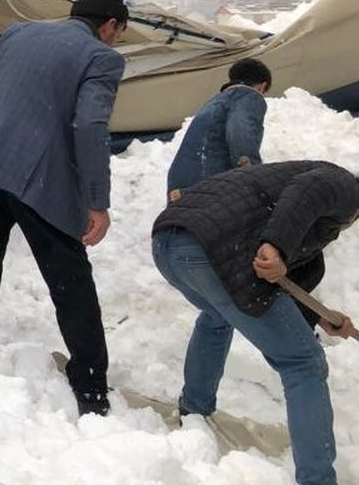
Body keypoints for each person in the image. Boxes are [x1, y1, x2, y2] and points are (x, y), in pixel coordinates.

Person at [0, 0, 128, 416]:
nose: (118, 40)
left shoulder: (18, 33)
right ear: (108, 24)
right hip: (37, 178)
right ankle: (90, 391)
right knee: (71, 284)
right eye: (121, 31)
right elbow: (89, 126)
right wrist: (97, 202)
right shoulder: (101, 58)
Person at [152, 160, 359, 485]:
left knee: (218, 316)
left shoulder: (314, 224)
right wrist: (276, 246)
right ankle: (318, 480)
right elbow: (306, 192)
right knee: (304, 363)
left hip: (171, 245)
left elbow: (285, 287)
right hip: (214, 251)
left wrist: (320, 317)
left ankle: (194, 409)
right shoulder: (346, 186)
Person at [166, 58, 272, 201]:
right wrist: (252, 175)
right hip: (210, 183)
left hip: (179, 185)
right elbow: (240, 130)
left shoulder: (215, 102)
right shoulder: (248, 96)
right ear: (262, 86)